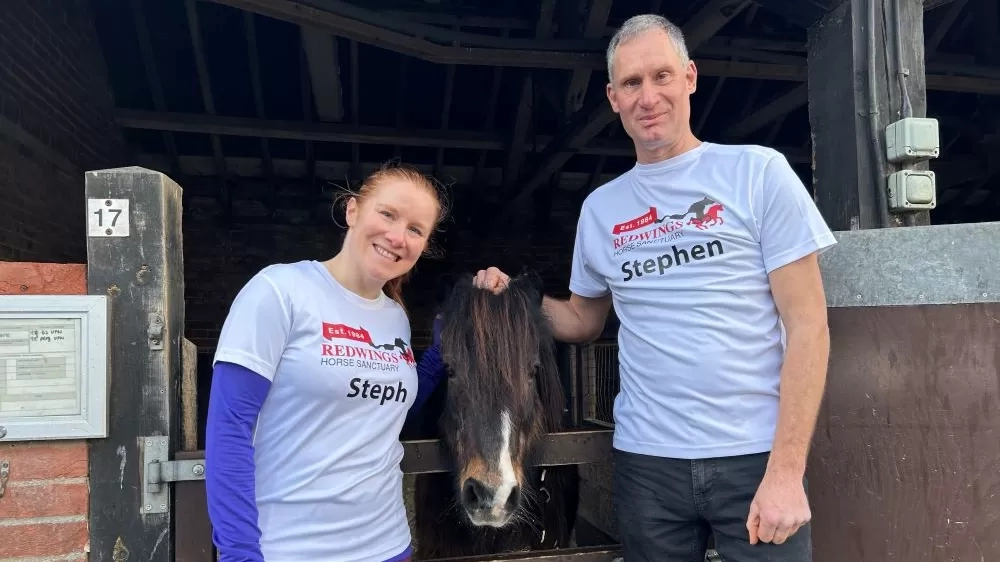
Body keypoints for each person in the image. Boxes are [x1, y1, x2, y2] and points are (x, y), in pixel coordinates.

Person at [474, 13, 836, 562]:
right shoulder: (601, 209)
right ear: (612, 97)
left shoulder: (758, 174)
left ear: (689, 77)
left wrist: (787, 471)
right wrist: (514, 302)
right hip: (647, 463)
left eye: (661, 76)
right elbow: (581, 319)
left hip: (753, 455)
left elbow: (808, 324)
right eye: (631, 83)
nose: (649, 96)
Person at [205, 163, 450, 562]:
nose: (397, 236)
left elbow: (387, 411)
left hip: (388, 546)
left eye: (415, 229)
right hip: (290, 549)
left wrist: (440, 352)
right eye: (387, 214)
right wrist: (239, 553)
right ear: (352, 211)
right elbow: (229, 429)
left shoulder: (395, 317)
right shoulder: (279, 291)